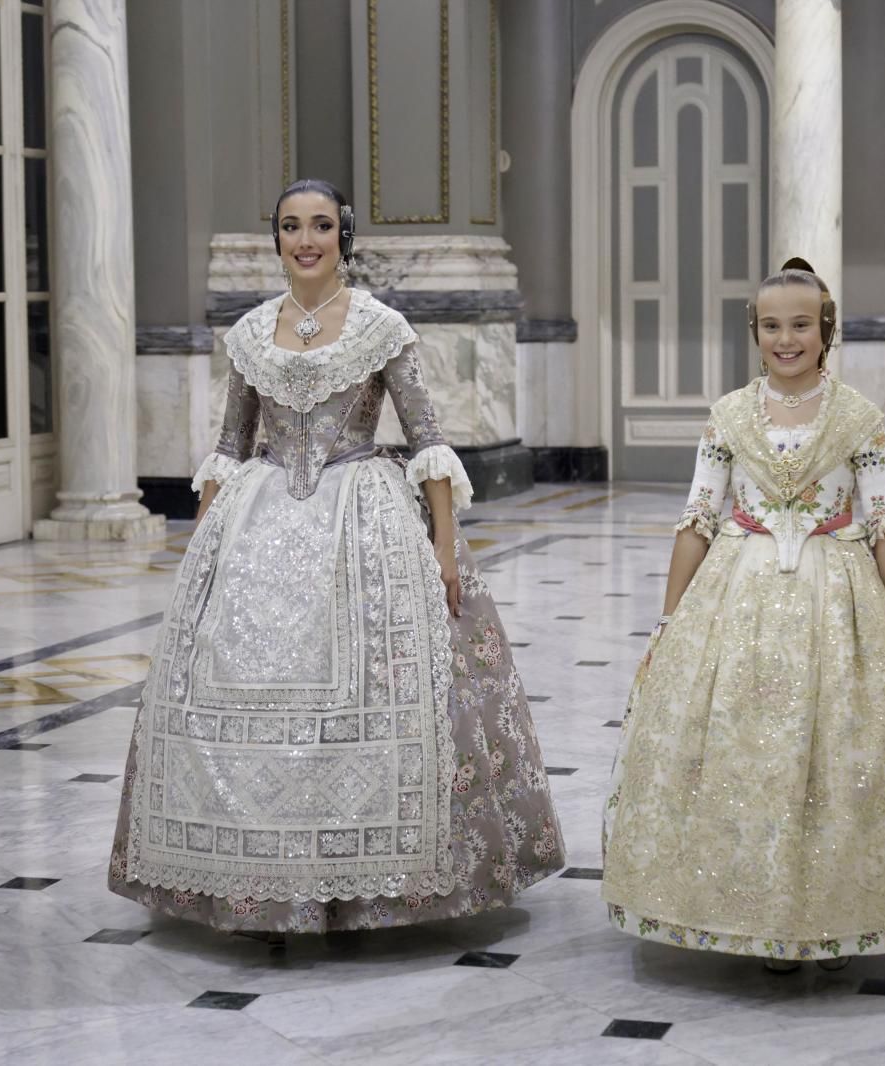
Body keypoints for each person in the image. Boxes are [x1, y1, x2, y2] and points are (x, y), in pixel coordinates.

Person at [108, 179, 564, 935]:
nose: (306, 239)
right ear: (278, 240)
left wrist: (445, 554)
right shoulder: (252, 332)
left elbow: (428, 442)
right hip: (258, 521)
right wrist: (202, 556)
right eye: (291, 226)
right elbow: (229, 447)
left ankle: (370, 882)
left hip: (362, 513)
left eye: (320, 225)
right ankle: (255, 872)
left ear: (342, 236)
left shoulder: (381, 325)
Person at [601, 258, 885, 971]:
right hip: (736, 598)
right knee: (745, 754)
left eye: (800, 325)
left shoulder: (859, 420)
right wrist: (668, 622)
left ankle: (833, 912)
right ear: (755, 331)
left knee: (833, 755)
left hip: (837, 602)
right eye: (772, 326)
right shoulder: (728, 417)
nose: (786, 339)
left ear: (826, 331)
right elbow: (697, 519)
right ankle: (747, 906)